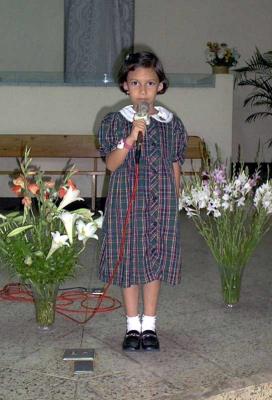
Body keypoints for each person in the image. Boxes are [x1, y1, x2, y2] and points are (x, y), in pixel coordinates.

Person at [98, 51, 187, 351]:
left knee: (154, 260)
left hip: (160, 203)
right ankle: (131, 325)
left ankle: (149, 324)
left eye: (150, 83)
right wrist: (130, 139)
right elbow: (111, 164)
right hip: (127, 203)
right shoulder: (117, 122)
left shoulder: (171, 124)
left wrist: (175, 201)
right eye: (135, 83)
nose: (143, 90)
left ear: (160, 86)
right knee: (129, 261)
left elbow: (175, 163)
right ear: (125, 86)